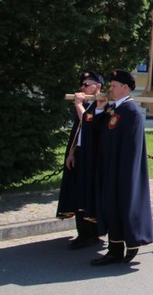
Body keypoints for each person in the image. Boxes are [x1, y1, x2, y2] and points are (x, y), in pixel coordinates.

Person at [90, 70, 153, 266]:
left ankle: (130, 244)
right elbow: (96, 129)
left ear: (125, 88)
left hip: (122, 171)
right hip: (110, 168)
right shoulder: (113, 109)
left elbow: (132, 148)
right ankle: (115, 250)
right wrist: (100, 109)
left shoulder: (131, 111)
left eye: (115, 85)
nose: (111, 88)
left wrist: (126, 173)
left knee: (123, 207)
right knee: (112, 208)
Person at [56, 71, 103, 250]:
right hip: (81, 154)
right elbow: (79, 131)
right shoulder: (87, 105)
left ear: (97, 86)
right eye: (82, 85)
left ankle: (90, 233)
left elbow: (89, 123)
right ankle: (85, 232)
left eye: (86, 84)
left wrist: (78, 104)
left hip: (93, 157)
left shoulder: (100, 104)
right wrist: (71, 153)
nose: (82, 88)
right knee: (78, 194)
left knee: (87, 194)